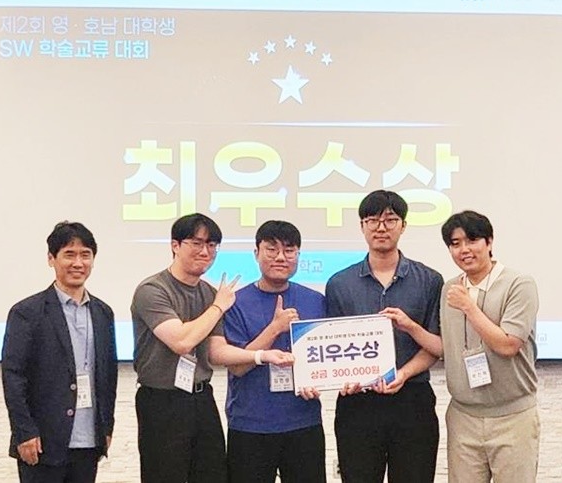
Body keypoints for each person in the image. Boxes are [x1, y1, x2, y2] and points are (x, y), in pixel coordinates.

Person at [131, 212, 294, 483]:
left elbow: (216, 352)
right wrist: (219, 306)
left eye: (211, 245)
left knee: (214, 474)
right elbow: (182, 341)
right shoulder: (153, 289)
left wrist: (262, 355)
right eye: (196, 243)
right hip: (161, 400)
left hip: (201, 397)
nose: (205, 251)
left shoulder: (208, 292)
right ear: (175, 245)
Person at [394, 210, 540, 482]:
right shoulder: (450, 288)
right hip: (463, 416)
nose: (464, 250)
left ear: (489, 242)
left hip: (512, 416)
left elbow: (508, 344)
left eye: (472, 240)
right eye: (455, 243)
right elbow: (446, 349)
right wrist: (411, 327)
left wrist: (468, 307)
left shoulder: (519, 284)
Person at [325, 189, 443, 483]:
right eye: (372, 220)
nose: (381, 227)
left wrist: (403, 373)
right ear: (362, 226)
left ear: (403, 226)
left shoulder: (429, 280)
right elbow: (331, 346)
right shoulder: (339, 284)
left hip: (412, 397)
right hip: (358, 402)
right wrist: (342, 376)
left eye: (390, 220)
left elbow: (435, 344)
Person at [1, 221, 118, 483]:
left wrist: (106, 427)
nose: (78, 263)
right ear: (51, 259)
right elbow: (13, 377)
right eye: (69, 254)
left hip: (89, 440)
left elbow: (108, 375)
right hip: (42, 441)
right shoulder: (27, 312)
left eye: (85, 255)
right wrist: (24, 432)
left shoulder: (103, 313)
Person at [224, 220, 326, 483]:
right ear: (256, 253)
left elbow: (326, 358)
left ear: (298, 255)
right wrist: (275, 328)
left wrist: (321, 381)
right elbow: (237, 366)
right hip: (250, 425)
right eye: (271, 249)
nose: (281, 257)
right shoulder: (235, 303)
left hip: (304, 421)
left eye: (289, 250)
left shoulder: (316, 301)